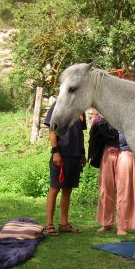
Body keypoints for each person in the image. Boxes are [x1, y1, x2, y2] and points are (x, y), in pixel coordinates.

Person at [93, 72, 135, 235]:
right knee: (106, 188)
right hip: (110, 149)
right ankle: (106, 222)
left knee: (125, 189)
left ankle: (123, 225)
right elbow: (99, 122)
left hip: (127, 151)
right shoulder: (110, 102)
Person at [43, 101, 86, 236]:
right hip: (61, 154)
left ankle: (64, 224)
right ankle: (49, 224)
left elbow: (81, 133)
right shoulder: (58, 105)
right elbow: (52, 130)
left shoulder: (80, 107)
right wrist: (55, 151)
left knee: (68, 189)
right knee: (55, 188)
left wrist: (83, 153)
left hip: (75, 155)